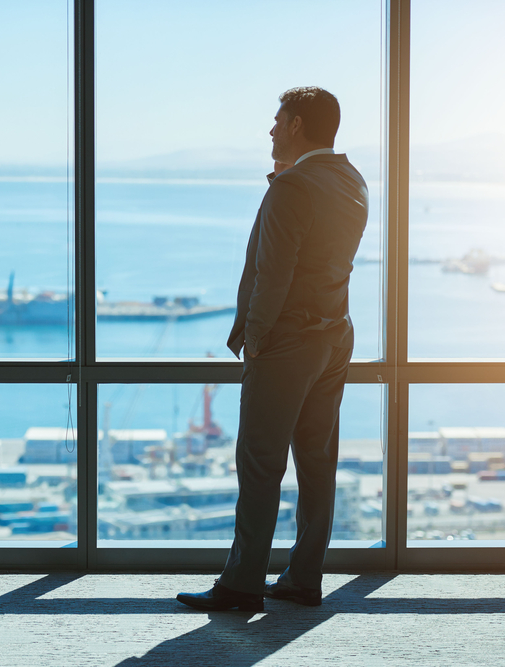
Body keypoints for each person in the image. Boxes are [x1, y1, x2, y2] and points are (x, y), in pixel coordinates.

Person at [177, 87, 369, 612]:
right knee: (316, 461)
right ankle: (304, 578)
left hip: (288, 340)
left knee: (260, 464)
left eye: (278, 120)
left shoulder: (293, 186)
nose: (270, 129)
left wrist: (255, 340)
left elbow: (273, 273)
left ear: (298, 125)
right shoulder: (351, 179)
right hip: (334, 336)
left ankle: (241, 585)